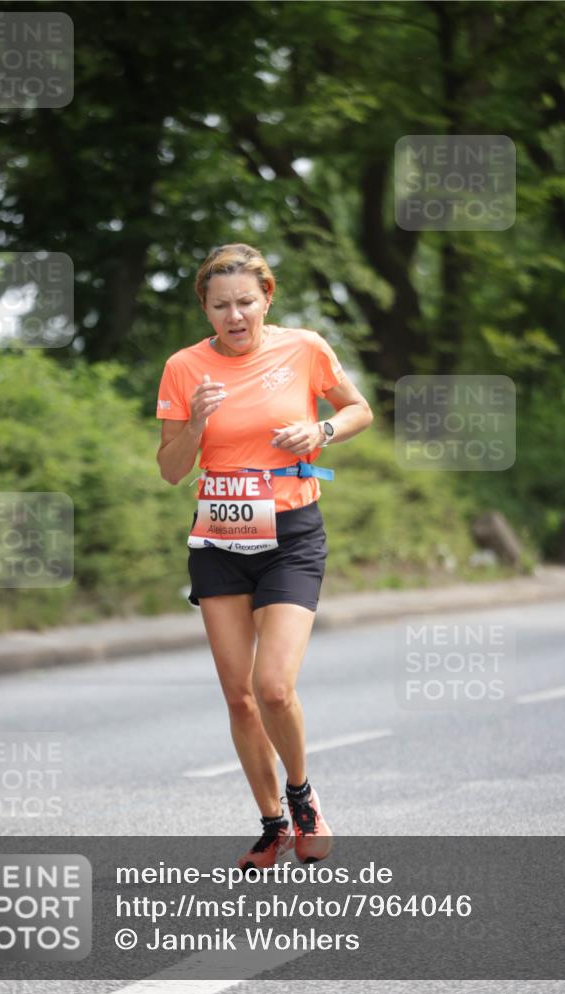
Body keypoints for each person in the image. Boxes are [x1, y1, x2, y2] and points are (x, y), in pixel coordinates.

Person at [156, 243, 373, 869]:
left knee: (273, 686)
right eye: (220, 306)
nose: (235, 316)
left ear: (267, 298)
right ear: (205, 308)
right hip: (220, 538)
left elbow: (357, 409)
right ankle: (272, 823)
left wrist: (321, 430)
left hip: (291, 535)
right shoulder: (183, 368)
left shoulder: (304, 348)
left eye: (246, 302)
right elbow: (170, 469)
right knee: (239, 696)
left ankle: (301, 797)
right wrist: (196, 425)